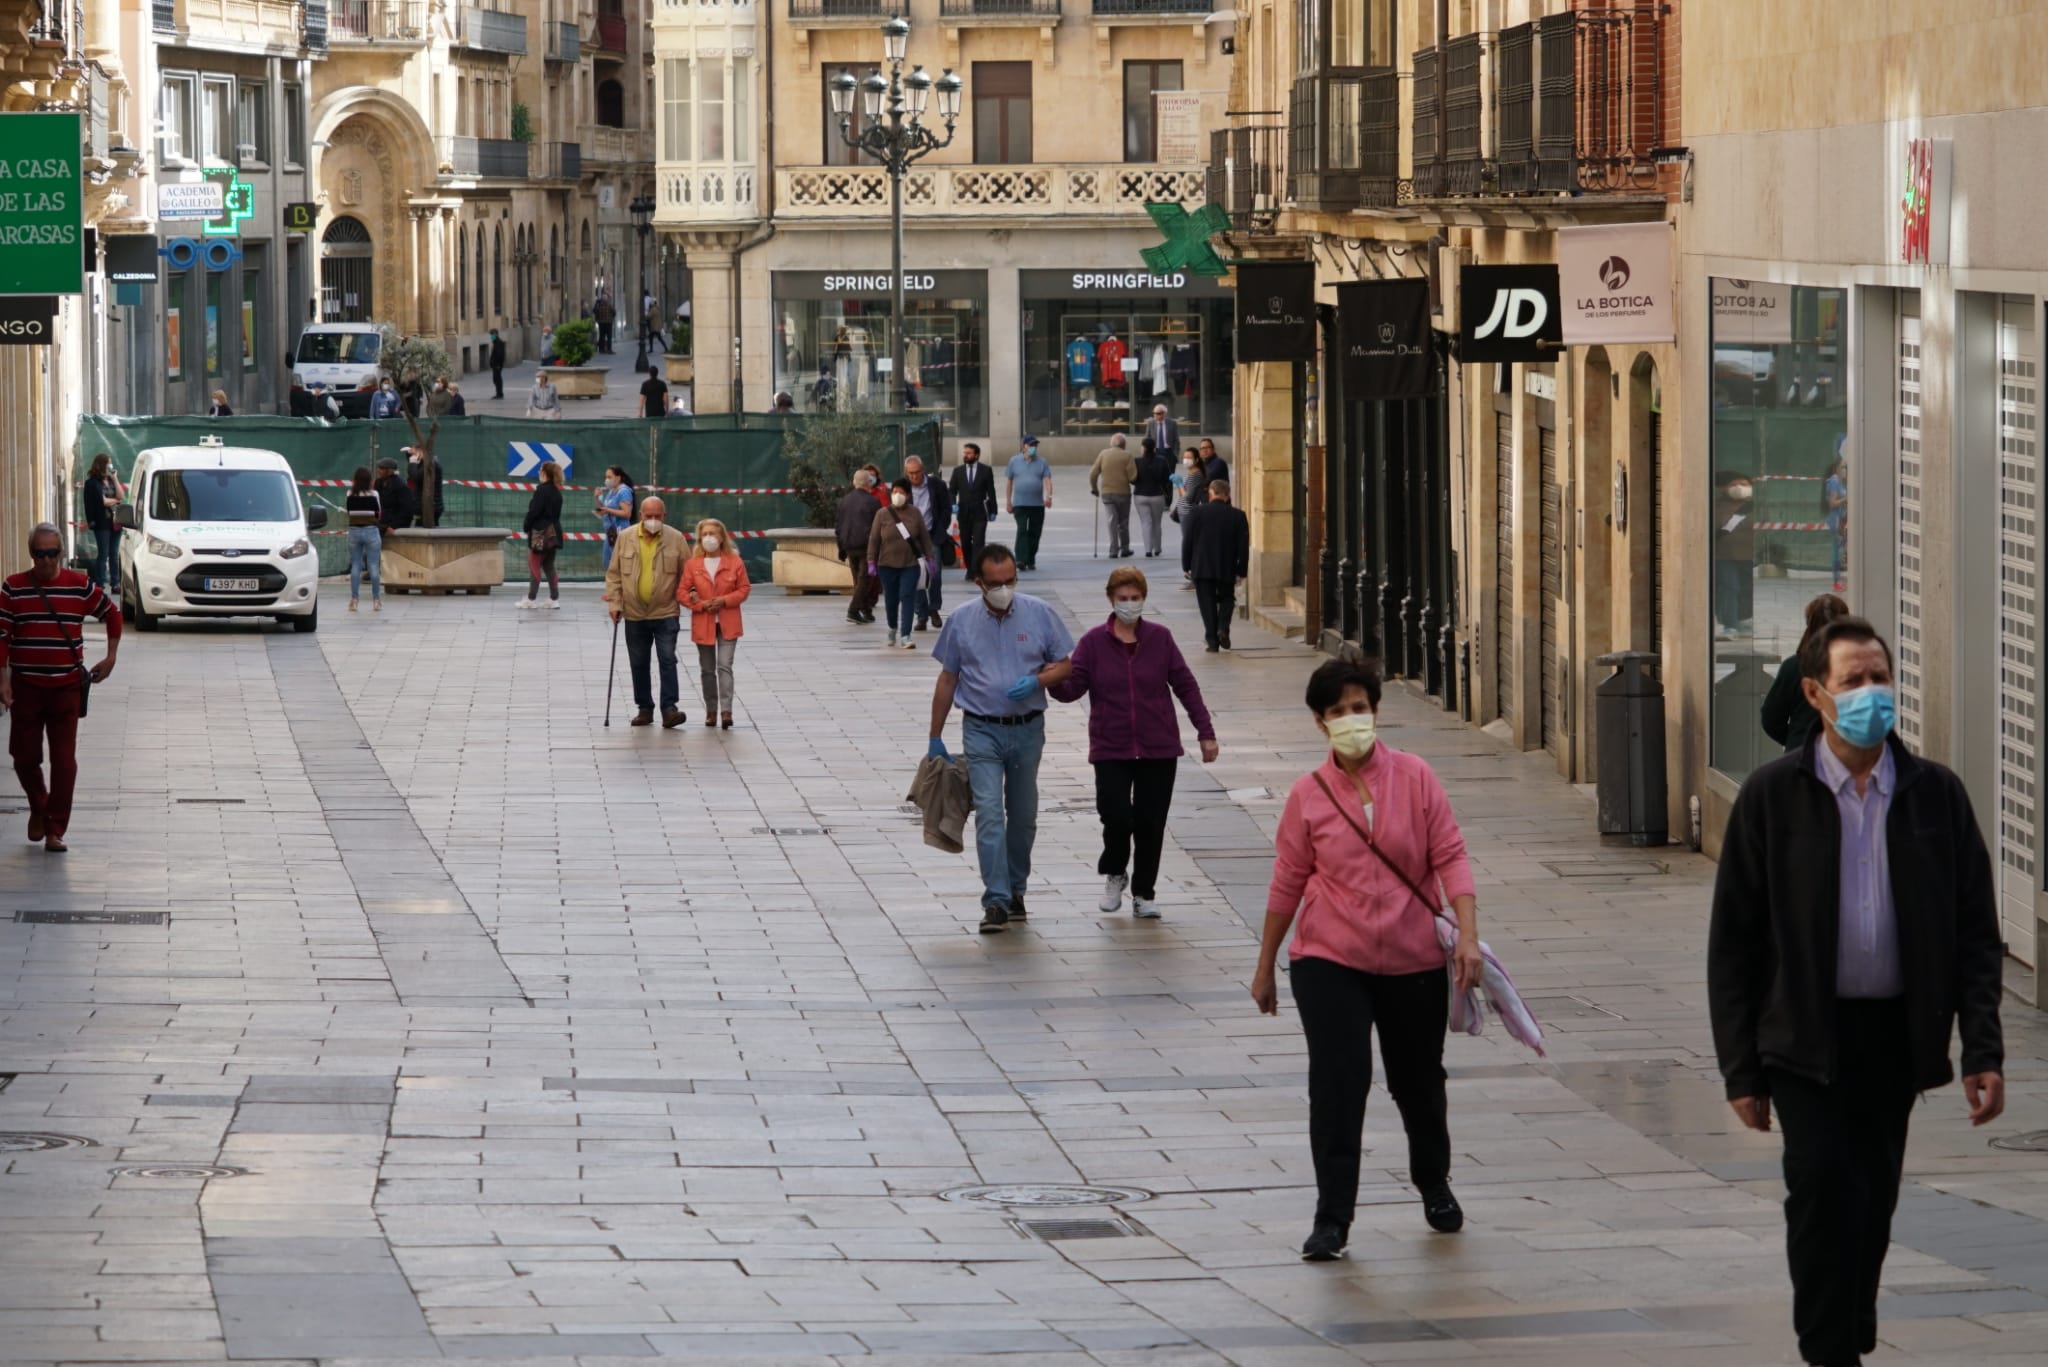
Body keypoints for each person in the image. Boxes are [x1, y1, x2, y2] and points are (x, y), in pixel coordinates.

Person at [1710, 615, 2004, 1367]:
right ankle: (1827, 1349)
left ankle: (1852, 1306)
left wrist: (1982, 1046)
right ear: (1814, 693)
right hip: (1803, 1037)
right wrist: (1741, 1069)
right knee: (1819, 1192)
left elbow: (1975, 930)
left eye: (1881, 676)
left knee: (1871, 1200)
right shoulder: (1773, 798)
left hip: (1895, 1038)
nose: (1873, 693)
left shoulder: (1936, 795)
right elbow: (1734, 944)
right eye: (1854, 680)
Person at [1253, 656, 1482, 1261]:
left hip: (1412, 958)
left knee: (1418, 1082)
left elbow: (1451, 856)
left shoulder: (1415, 777)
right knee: (1337, 1085)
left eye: (1360, 708)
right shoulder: (1308, 795)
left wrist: (1466, 935)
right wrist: (1265, 965)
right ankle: (1332, 1219)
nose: (1351, 719)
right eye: (1337, 712)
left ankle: (1434, 1183)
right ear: (1319, 723)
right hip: (1330, 957)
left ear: (1375, 711)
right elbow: (1287, 880)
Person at [1048, 567, 1217, 920]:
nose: (1129, 605)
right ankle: (1115, 871)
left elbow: (1185, 686)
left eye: (1135, 598)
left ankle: (1144, 892)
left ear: (1144, 599)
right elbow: (1072, 689)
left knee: (1150, 822)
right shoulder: (1093, 643)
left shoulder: (1161, 638)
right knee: (1115, 815)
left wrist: (1205, 732)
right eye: (1122, 599)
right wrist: (1050, 677)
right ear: (1111, 600)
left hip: (1158, 746)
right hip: (1111, 745)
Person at [928, 543, 1075, 932]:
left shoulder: (1039, 613)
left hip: (1027, 729)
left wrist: (1039, 680)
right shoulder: (961, 621)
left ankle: (1016, 888)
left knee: (1023, 815)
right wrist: (934, 736)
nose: (1004, 588)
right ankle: (995, 900)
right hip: (981, 729)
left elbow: (1066, 664)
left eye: (1010, 579)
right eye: (996, 582)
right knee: (990, 813)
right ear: (979, 583)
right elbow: (948, 678)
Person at [0, 523, 121, 854]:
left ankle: (55, 828)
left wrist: (110, 657)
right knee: (23, 758)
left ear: (61, 553)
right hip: (26, 686)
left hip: (66, 687)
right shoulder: (13, 587)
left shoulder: (79, 586)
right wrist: (3, 678)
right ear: (31, 554)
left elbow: (112, 614)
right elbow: (2, 635)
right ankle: (39, 805)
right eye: (39, 554)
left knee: (64, 760)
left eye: (52, 553)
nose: (46, 561)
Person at [604, 496, 690, 729]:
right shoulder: (625, 537)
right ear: (641, 515)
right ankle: (644, 708)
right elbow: (614, 574)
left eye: (657, 516)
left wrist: (692, 600)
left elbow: (688, 575)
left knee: (667, 659)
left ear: (665, 516)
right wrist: (614, 603)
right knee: (639, 662)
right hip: (634, 613)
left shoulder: (676, 539)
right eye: (648, 516)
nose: (653, 520)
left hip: (666, 611)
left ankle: (669, 709)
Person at [679, 517, 751, 730]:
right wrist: (700, 605)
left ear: (722, 537)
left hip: (728, 621)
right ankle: (711, 710)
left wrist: (724, 601)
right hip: (704, 621)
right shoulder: (693, 565)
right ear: (700, 538)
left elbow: (744, 588)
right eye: (705, 534)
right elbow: (682, 591)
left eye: (714, 533)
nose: (709, 538)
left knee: (724, 666)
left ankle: (726, 711)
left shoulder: (734, 562)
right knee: (707, 669)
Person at [1763, 593, 1850, 753]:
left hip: (1801, 753)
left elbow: (1771, 718)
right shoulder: (1855, 666)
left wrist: (1795, 738)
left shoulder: (1793, 666)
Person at [868, 477, 937, 650]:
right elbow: (874, 539)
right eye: (895, 491)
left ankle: (906, 635)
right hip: (887, 564)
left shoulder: (915, 513)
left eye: (902, 492)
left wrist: (930, 557)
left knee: (908, 597)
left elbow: (924, 537)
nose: (898, 495)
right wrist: (871, 560)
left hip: (910, 564)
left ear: (908, 495)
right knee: (891, 601)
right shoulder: (882, 514)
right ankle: (892, 627)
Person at [1182, 479, 1250, 652]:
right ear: (1227, 496)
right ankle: (1223, 628)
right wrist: (1242, 569)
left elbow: (1187, 540)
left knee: (1207, 603)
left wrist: (1186, 564)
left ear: (1211, 494)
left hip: (1202, 566)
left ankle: (1212, 641)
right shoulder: (1238, 515)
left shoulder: (1197, 513)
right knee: (1228, 598)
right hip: (1226, 566)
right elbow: (1243, 546)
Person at [903, 455, 953, 630]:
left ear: (923, 470)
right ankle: (921, 614)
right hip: (911, 539)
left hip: (932, 535)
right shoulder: (902, 488)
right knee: (916, 576)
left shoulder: (937, 485)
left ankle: (934, 608)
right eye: (911, 473)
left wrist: (940, 531)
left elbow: (946, 509)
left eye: (917, 472)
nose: (914, 476)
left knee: (935, 574)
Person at [1713, 469, 1756, 636]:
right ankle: (1729, 624)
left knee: (1746, 588)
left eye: (1743, 484)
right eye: (1733, 484)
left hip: (1748, 555)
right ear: (1724, 488)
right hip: (1723, 555)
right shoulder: (1716, 505)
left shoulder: (1754, 505)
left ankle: (1743, 620)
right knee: (1730, 587)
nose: (1739, 487)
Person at [836, 471, 882, 626]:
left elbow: (839, 525)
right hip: (865, 546)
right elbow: (878, 528)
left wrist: (841, 546)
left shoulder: (844, 500)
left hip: (849, 545)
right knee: (865, 580)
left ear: (854, 482)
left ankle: (866, 611)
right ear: (868, 483)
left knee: (858, 580)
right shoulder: (873, 502)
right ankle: (853, 610)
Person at [948, 442, 998, 585]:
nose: (966, 455)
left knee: (979, 542)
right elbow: (952, 490)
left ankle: (977, 570)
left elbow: (991, 491)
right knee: (965, 543)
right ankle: (970, 568)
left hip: (980, 513)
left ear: (976, 455)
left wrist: (993, 510)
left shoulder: (986, 470)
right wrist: (953, 503)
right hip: (963, 512)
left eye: (969, 453)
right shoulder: (958, 471)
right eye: (965, 453)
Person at [520, 460, 565, 610]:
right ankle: (554, 598)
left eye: (540, 470)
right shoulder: (557, 492)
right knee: (549, 565)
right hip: (554, 534)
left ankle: (531, 598)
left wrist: (526, 525)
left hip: (540, 533)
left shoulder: (541, 490)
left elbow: (534, 511)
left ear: (545, 473)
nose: (539, 472)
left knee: (534, 564)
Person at [1005, 436, 1052, 572]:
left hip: (1037, 504)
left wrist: (1048, 496)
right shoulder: (1014, 461)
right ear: (1024, 446)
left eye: (1035, 445)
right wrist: (1008, 501)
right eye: (1031, 445)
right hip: (1020, 504)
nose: (1034, 448)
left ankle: (1030, 558)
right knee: (1022, 530)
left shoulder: (1042, 462)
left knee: (1034, 532)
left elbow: (1048, 479)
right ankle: (1020, 559)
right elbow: (1009, 482)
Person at [1089, 433, 1137, 559]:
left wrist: (1094, 489)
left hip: (1107, 493)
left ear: (1111, 444)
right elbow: (1133, 477)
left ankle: (1113, 550)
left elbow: (1093, 474)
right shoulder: (1128, 455)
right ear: (1124, 444)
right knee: (1123, 522)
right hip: (1123, 493)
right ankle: (1125, 548)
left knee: (1111, 521)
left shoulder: (1103, 454)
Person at [344, 466, 383, 613]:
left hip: (354, 532)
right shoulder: (374, 494)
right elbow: (378, 514)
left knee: (356, 566)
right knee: (373, 566)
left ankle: (354, 600)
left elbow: (349, 512)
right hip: (371, 531)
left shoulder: (349, 493)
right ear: (369, 481)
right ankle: (376, 600)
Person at [80, 454, 121, 593]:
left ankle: (115, 583)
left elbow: (120, 495)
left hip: (115, 522)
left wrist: (115, 479)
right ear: (101, 464)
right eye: (108, 463)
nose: (111, 466)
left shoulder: (110, 480)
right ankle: (100, 583)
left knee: (114, 554)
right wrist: (115, 500)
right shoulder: (92, 483)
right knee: (103, 553)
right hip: (101, 522)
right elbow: (103, 501)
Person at [1132, 436, 1172, 559]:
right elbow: (1167, 478)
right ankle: (1158, 548)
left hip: (1140, 495)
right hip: (1157, 495)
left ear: (1143, 448)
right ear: (1154, 447)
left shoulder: (1137, 461)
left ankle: (1148, 550)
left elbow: (1133, 478)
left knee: (1145, 522)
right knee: (1156, 523)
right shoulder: (1162, 460)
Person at [595, 466, 637, 571]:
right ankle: (612, 585)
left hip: (620, 532)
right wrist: (597, 498)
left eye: (609, 477)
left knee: (618, 565)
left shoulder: (623, 492)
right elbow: (604, 507)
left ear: (618, 478)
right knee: (608, 563)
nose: (607, 480)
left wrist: (608, 511)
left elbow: (627, 513)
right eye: (606, 477)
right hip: (610, 533)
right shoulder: (611, 491)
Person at [1824, 453, 1849, 593]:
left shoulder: (1840, 482)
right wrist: (1845, 499)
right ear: (1838, 467)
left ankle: (1839, 579)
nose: (1845, 469)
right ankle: (1836, 581)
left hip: (1841, 520)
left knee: (1840, 551)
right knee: (1836, 552)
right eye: (1843, 466)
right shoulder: (1833, 481)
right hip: (1835, 521)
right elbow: (1832, 503)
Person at [373, 457, 416, 535]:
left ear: (389, 471)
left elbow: (407, 509)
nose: (378, 470)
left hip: (393, 525)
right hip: (381, 524)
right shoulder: (378, 483)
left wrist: (394, 526)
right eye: (378, 468)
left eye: (381, 468)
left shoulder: (400, 485)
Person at [488, 328, 507, 399]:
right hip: (495, 365)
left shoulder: (499, 343)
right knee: (496, 379)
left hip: (497, 365)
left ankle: (499, 393)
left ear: (495, 334)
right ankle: (498, 393)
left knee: (497, 379)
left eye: (492, 335)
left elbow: (500, 355)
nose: (491, 336)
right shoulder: (495, 342)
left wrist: (498, 364)